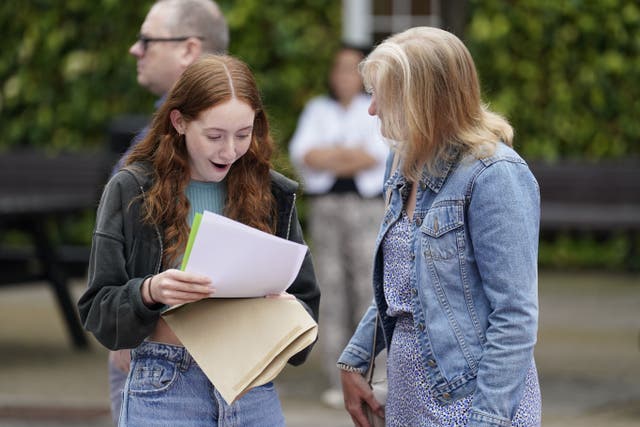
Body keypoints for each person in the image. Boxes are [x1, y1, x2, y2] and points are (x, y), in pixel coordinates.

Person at [78, 54, 320, 426]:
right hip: (165, 386)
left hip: (252, 389)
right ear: (179, 122)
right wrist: (149, 292)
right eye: (214, 136)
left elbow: (306, 308)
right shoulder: (131, 189)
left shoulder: (273, 192)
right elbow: (97, 310)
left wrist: (284, 313)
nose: (230, 151)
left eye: (244, 134)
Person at [337, 27, 542, 427]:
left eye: (383, 94)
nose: (371, 109)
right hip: (409, 395)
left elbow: (515, 315)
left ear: (422, 99)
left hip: (474, 401)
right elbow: (404, 284)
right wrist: (356, 358)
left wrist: (488, 419)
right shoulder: (401, 164)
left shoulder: (494, 174)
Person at [107, 0, 228, 423]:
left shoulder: (190, 141)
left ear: (188, 48)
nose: (134, 50)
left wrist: (128, 323)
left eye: (147, 39)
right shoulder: (169, 131)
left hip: (165, 350)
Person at [288, 44, 389, 408]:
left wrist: (331, 155)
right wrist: (348, 156)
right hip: (327, 208)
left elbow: (375, 155)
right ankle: (338, 376)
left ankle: (374, 376)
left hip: (367, 208)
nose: (343, 75)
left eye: (352, 68)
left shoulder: (376, 107)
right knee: (330, 290)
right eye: (339, 68)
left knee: (369, 289)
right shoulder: (317, 109)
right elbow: (305, 153)